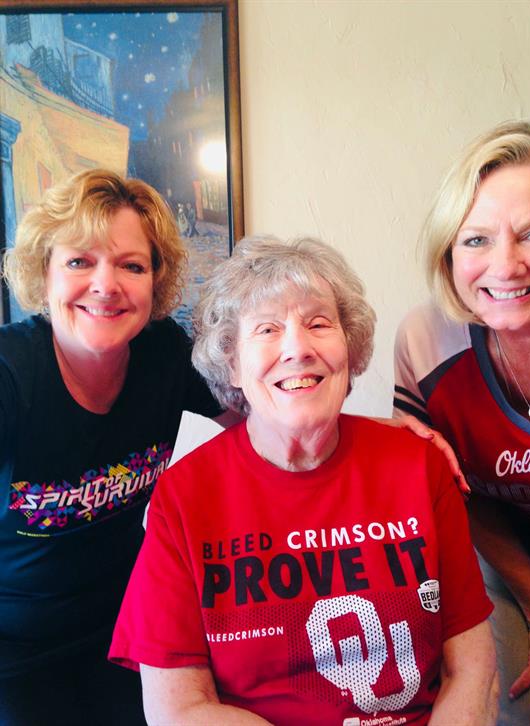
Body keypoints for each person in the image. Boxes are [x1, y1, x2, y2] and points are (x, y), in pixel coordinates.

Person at [110, 235, 497, 725]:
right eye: (267, 329)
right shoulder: (185, 495)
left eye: (318, 324)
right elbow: (178, 708)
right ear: (232, 363)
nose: (297, 348)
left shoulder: (420, 466)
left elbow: (472, 669)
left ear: (349, 348)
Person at [0, 169, 228, 726]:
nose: (106, 285)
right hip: (16, 651)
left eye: (131, 266)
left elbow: (263, 418)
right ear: (44, 273)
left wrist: (386, 438)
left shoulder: (164, 354)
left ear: (155, 281)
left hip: (131, 626)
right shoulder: (12, 372)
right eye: (80, 261)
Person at [393, 119, 530, 726]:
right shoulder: (426, 340)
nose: (505, 266)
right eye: (476, 239)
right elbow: (457, 492)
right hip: (503, 550)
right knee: (511, 706)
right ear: (448, 253)